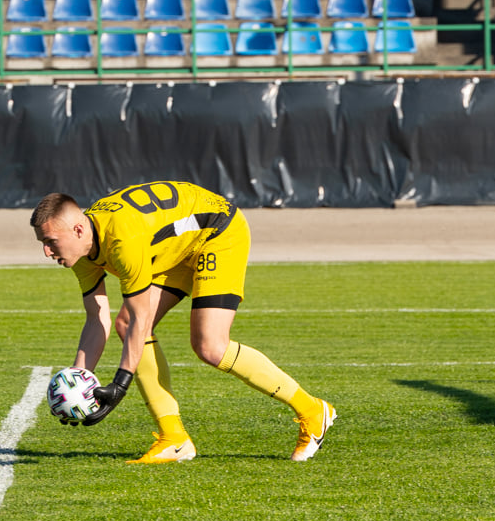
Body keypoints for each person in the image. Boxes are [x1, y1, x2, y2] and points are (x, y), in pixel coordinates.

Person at [30, 181, 336, 464]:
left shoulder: (122, 240)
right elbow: (98, 318)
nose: (46, 251)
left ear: (79, 230)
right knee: (124, 325)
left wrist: (120, 386)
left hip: (217, 232)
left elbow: (141, 318)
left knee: (210, 346)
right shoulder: (82, 250)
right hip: (175, 245)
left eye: (51, 241)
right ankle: (173, 438)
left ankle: (313, 411)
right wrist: (77, 381)